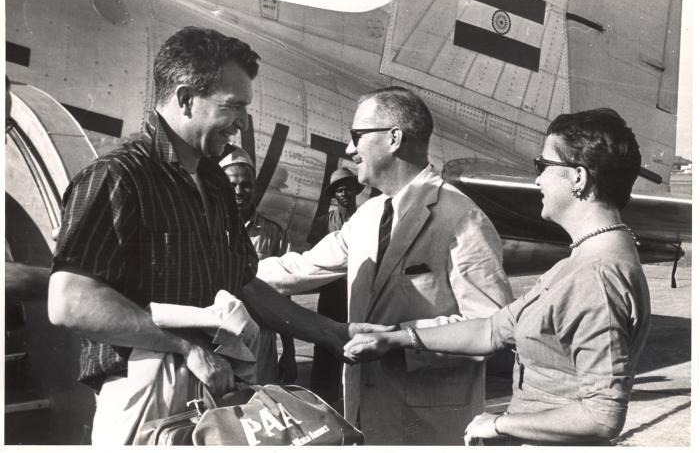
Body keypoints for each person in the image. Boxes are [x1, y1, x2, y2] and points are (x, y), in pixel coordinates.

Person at [345, 108, 651, 446]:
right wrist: (397, 337)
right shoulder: (586, 260)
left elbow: (601, 416)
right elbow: (492, 329)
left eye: (543, 167)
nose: (537, 180)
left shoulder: (596, 275)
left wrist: (501, 424)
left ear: (578, 178)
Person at [252, 86, 513, 445]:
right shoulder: (369, 215)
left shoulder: (461, 217)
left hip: (429, 429)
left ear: (393, 138)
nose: (349, 149)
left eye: (357, 135)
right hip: (366, 418)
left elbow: (492, 325)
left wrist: (398, 340)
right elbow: (302, 268)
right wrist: (228, 274)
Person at [47, 26, 261, 444]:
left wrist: (332, 331)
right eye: (233, 107)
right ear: (184, 99)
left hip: (215, 386)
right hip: (147, 388)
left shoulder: (215, 182)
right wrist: (187, 347)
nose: (241, 124)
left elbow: (244, 283)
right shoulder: (117, 177)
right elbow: (70, 301)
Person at [219, 147, 297, 385]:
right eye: (232, 184)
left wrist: (289, 353)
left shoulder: (274, 231)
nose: (239, 191)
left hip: (262, 339)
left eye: (246, 185)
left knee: (261, 407)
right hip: (218, 337)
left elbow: (285, 297)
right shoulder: (204, 227)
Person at [307, 167, 363, 408]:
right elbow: (310, 257)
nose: (344, 194)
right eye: (339, 190)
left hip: (358, 291)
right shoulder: (323, 223)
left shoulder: (367, 218)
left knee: (358, 343)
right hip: (331, 294)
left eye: (348, 189)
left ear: (355, 191)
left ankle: (356, 397)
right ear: (334, 195)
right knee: (326, 341)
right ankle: (323, 399)